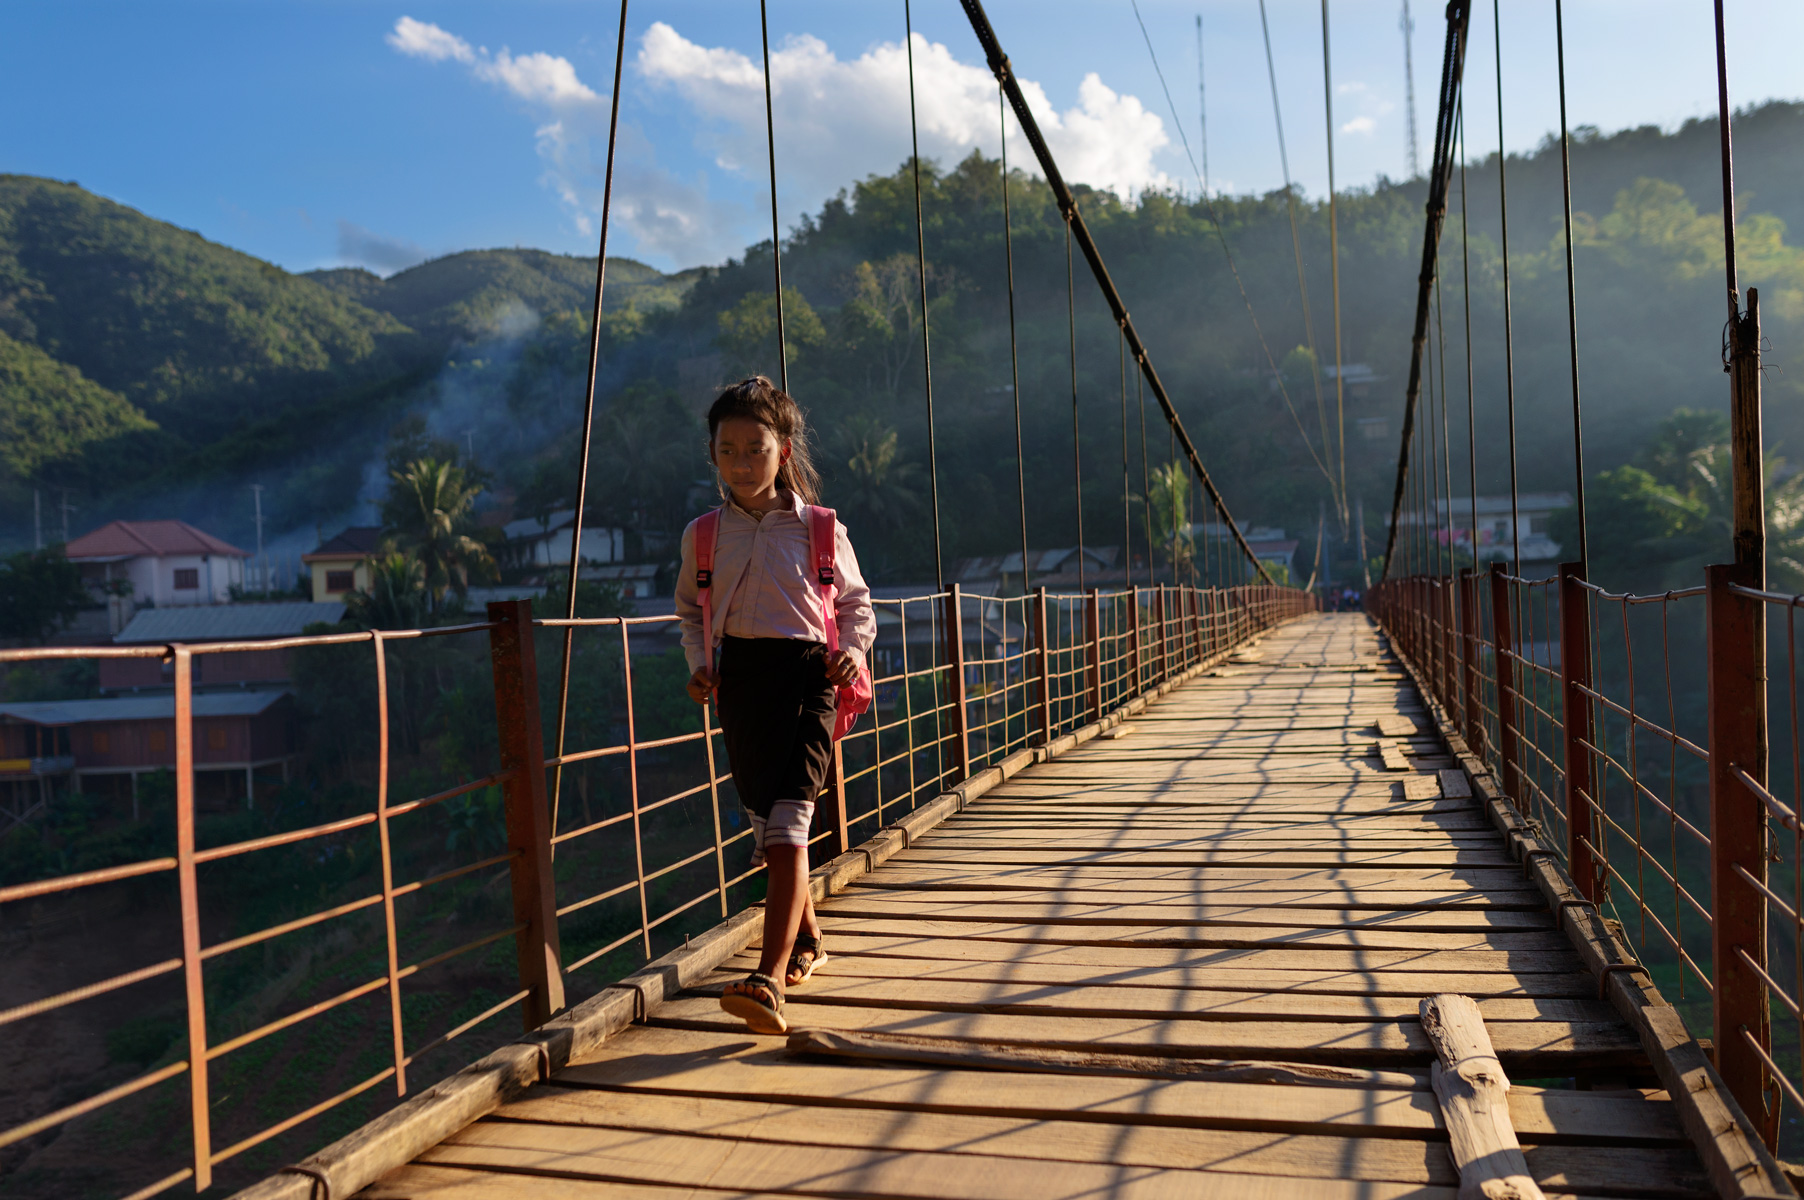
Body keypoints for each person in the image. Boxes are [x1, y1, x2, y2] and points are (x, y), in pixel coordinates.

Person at [674, 376, 875, 1035]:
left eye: (755, 448)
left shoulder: (819, 528)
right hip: (743, 686)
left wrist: (852, 651)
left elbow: (855, 605)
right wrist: (701, 666)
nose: (741, 462)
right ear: (713, 456)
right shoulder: (703, 536)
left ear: (783, 451)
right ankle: (810, 943)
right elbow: (689, 609)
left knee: (790, 828)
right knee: (769, 833)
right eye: (727, 450)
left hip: (808, 679)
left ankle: (766, 978)